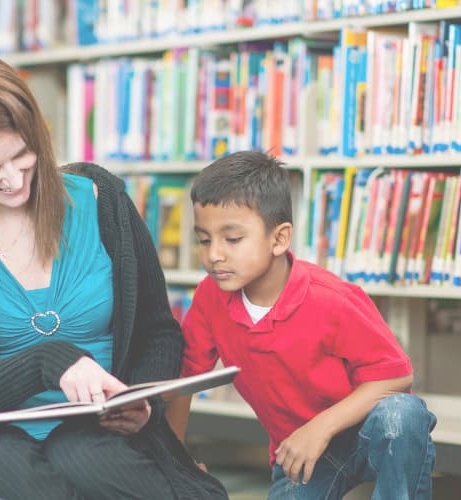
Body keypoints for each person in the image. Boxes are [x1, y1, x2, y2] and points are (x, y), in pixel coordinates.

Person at [0, 49, 226, 500]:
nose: (14, 180)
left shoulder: (102, 200)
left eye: (22, 155)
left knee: (85, 454)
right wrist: (47, 362)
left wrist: (142, 402)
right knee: (3, 465)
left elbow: (159, 333)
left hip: (103, 428)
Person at [174, 151, 437, 499]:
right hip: (301, 455)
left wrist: (321, 428)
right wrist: (175, 461)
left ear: (280, 239)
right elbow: (184, 381)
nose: (214, 255)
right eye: (204, 240)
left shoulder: (331, 299)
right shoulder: (210, 298)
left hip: (368, 432)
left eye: (232, 239)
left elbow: (395, 377)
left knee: (402, 415)